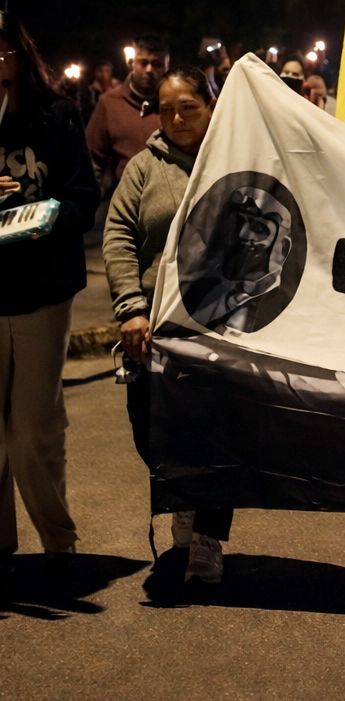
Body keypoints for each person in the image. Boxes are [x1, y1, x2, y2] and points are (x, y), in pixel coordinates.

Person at [103, 65, 232, 583]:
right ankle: (184, 502)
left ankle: (205, 537)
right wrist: (131, 306)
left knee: (216, 434)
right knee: (152, 431)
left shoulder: (234, 161)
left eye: (188, 107)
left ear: (210, 107)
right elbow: (118, 236)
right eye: (167, 108)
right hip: (154, 329)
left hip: (220, 327)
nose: (177, 117)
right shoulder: (142, 169)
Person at [0, 12, 100, 590]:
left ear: (22, 56)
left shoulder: (57, 117)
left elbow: (84, 195)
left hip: (40, 288)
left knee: (35, 424)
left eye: (4, 55)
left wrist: (44, 215)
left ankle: (57, 541)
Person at [86, 34, 169, 190]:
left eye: (157, 64)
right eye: (143, 63)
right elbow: (92, 160)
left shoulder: (174, 105)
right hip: (122, 201)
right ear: (132, 64)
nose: (149, 70)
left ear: (166, 66)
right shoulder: (109, 103)